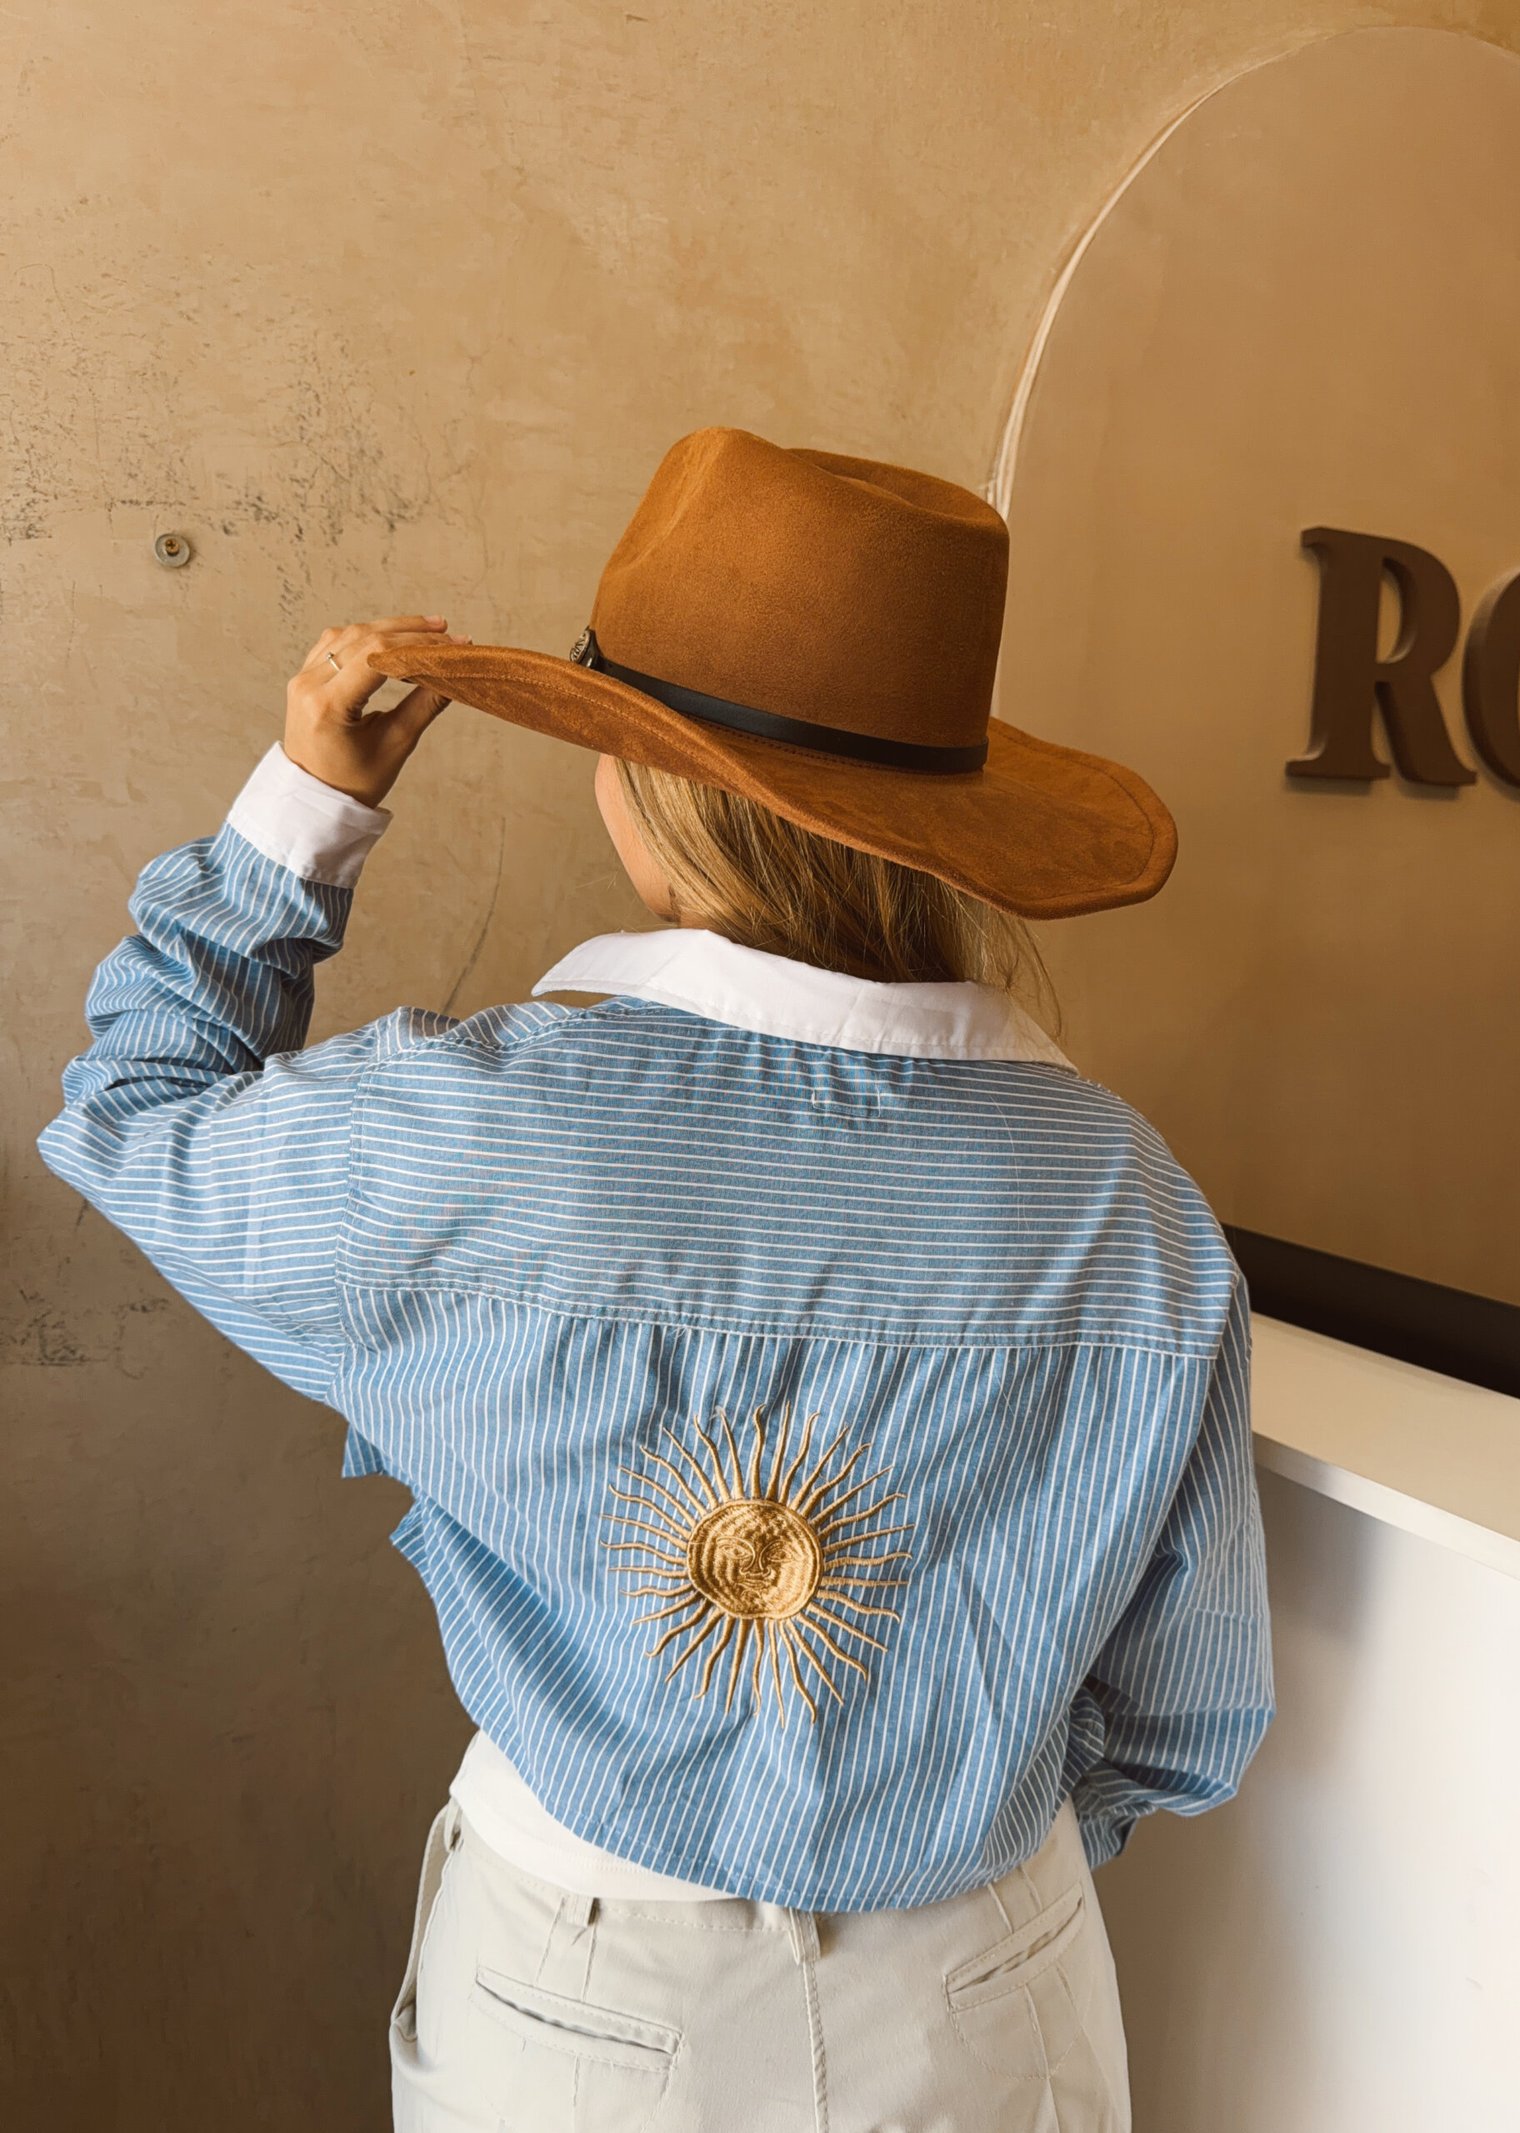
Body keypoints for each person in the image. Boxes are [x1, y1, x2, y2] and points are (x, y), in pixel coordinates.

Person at [37, 426, 1274, 2132]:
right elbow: (1184, 1712)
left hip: (588, 1986)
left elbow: (132, 1110)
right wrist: (925, 1833)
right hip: (1000, 1985)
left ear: (641, 786)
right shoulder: (1133, 1204)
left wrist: (308, 804)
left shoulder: (475, 1138)